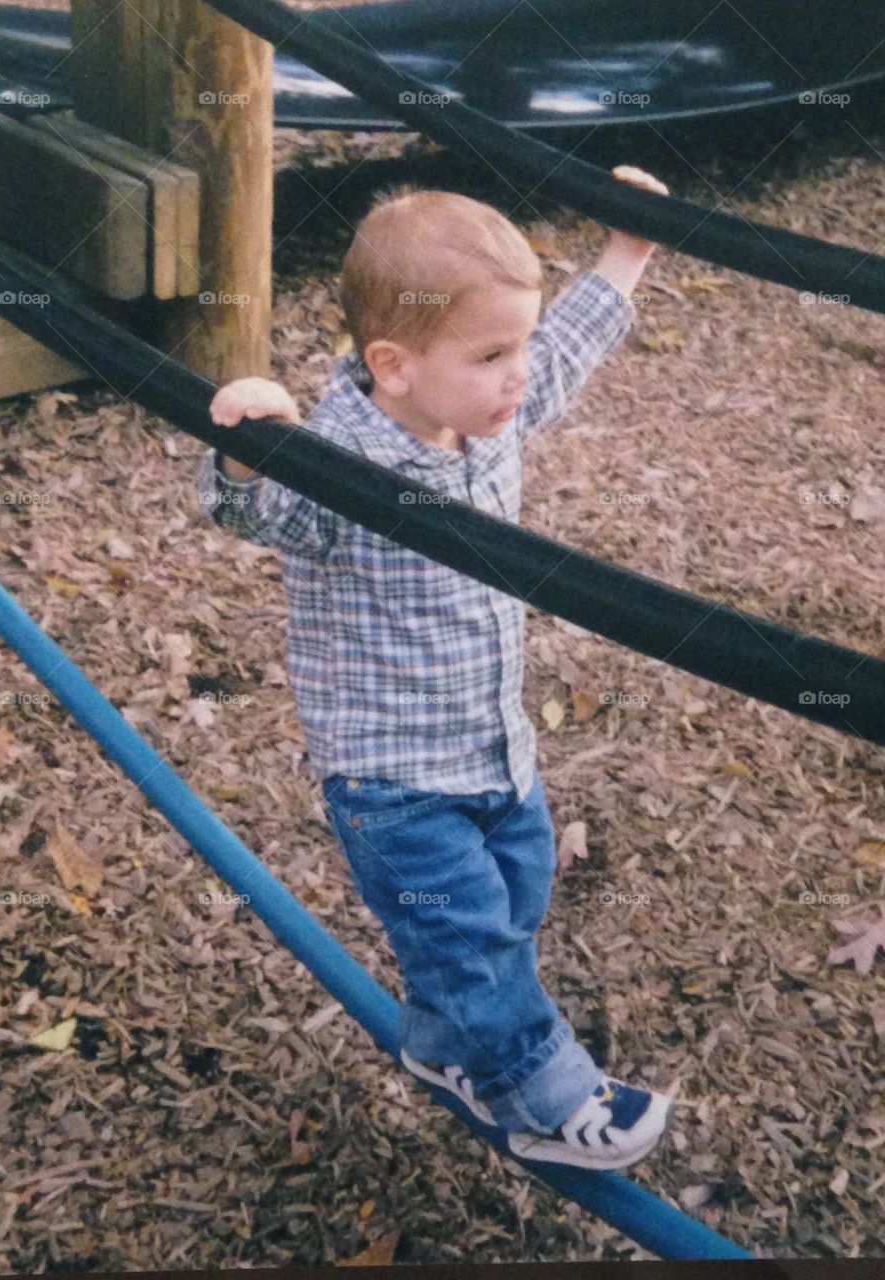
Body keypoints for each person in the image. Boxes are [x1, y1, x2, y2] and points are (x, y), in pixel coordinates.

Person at [198, 167, 675, 1168]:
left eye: (521, 346)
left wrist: (627, 249)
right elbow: (259, 516)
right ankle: (546, 1097)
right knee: (472, 940)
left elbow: (569, 353)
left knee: (519, 893)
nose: (520, 375)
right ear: (394, 363)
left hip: (496, 747)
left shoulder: (482, 408)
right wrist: (245, 447)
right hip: (396, 779)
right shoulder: (338, 462)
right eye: (494, 353)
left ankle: (443, 1044)